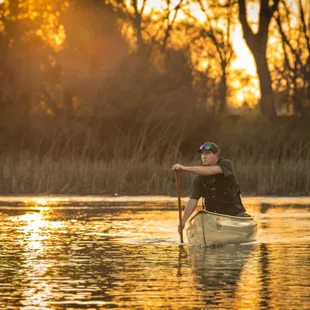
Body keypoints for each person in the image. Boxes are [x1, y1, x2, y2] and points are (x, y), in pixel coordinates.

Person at [172, 142, 249, 235]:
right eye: (202, 153)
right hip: (213, 217)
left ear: (216, 154)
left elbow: (210, 171)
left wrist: (184, 168)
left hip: (235, 215)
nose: (204, 156)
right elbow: (193, 200)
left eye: (207, 153)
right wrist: (183, 221)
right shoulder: (198, 179)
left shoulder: (226, 164)